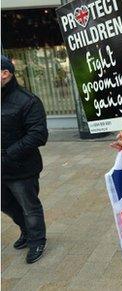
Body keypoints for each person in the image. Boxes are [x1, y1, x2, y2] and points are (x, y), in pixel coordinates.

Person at [1, 55, 48, 263]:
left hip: (21, 168)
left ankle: (37, 240)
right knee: (6, 204)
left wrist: (7, 154)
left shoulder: (28, 101)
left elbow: (38, 135)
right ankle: (26, 231)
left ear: (5, 73)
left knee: (30, 206)